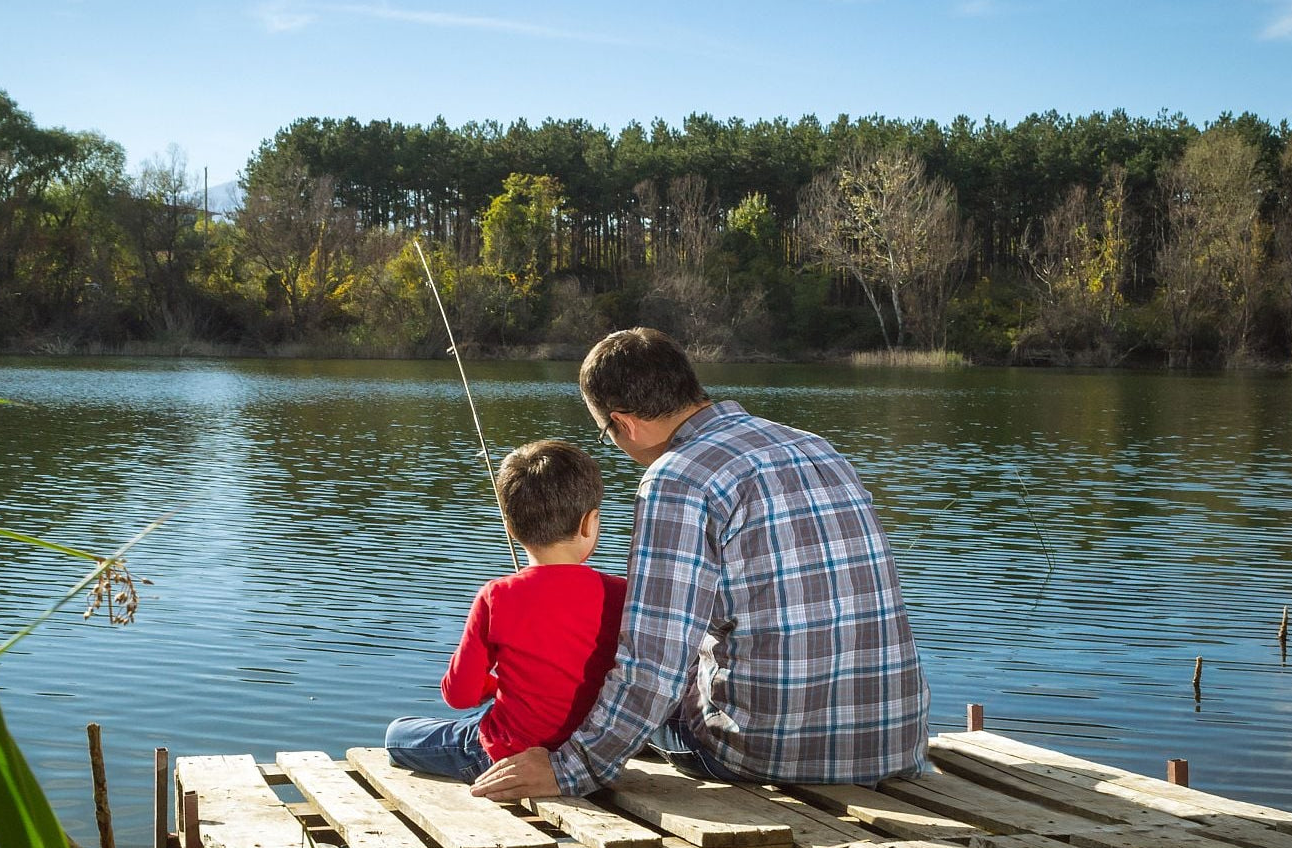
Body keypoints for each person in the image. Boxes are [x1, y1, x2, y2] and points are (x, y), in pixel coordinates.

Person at [472, 328, 930, 800]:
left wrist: (571, 768)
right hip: (893, 743)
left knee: (577, 703)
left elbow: (653, 663)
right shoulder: (815, 447)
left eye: (607, 435)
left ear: (624, 423)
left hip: (764, 752)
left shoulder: (676, 479)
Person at [384, 440, 627, 782]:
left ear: (511, 528)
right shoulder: (622, 594)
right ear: (589, 523)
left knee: (398, 734)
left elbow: (459, 694)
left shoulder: (497, 596)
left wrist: (492, 684)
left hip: (505, 755)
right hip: (589, 754)